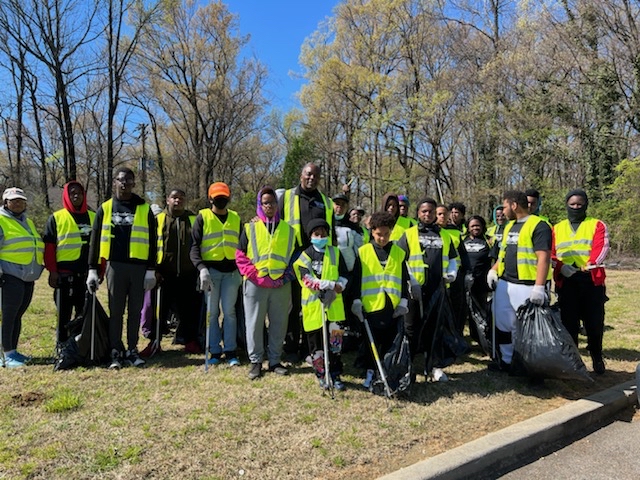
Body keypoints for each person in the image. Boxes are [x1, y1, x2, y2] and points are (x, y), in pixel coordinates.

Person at [87, 167, 157, 369]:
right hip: (115, 267)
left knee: (135, 310)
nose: (124, 184)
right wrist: (93, 268)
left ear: (134, 183)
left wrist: (151, 269)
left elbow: (153, 241)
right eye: (121, 180)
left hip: (138, 267)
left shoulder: (144, 208)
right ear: (114, 182)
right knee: (116, 310)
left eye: (129, 180)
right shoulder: (105, 208)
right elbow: (95, 239)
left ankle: (132, 350)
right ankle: (115, 351)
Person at [487, 190, 551, 372]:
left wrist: (539, 287)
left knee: (529, 329)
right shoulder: (509, 226)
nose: (503, 210)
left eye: (505, 206)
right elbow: (503, 254)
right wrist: (493, 270)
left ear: (514, 205)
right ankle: (507, 361)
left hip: (528, 286)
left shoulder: (539, 226)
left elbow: (543, 258)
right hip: (507, 284)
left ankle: (533, 368)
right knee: (504, 325)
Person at [236, 186, 296, 379]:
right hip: (256, 283)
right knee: (253, 323)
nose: (269, 206)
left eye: (272, 202)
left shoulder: (289, 229)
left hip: (280, 284)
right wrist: (255, 275)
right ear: (260, 205)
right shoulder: (250, 227)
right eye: (265, 202)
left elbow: (295, 257)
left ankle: (275, 360)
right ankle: (255, 361)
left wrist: (286, 277)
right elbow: (240, 255)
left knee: (279, 323)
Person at [396, 198, 458, 382]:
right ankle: (408, 365)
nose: (427, 214)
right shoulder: (408, 234)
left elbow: (453, 258)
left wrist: (452, 273)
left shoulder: (445, 235)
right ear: (418, 213)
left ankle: (435, 366)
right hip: (413, 290)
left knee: (435, 328)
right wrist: (411, 281)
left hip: (437, 290)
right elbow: (400, 260)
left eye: (431, 211)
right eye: (424, 211)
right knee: (411, 329)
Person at [279, 163, 334, 363]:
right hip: (294, 256)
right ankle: (291, 347)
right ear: (301, 175)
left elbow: (332, 232)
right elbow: (273, 221)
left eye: (316, 175)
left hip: (318, 256)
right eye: (308, 174)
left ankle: (310, 349)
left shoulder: (326, 202)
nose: (312, 178)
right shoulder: (285, 197)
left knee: (312, 303)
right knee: (293, 304)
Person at [552, 189, 609, 374]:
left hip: (591, 279)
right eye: (572, 204)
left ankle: (596, 356)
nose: (576, 207)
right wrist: (561, 267)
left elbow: (602, 247)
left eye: (580, 204)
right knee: (569, 323)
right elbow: (551, 254)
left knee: (594, 322)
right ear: (566, 205)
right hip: (567, 280)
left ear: (586, 205)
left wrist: (591, 263)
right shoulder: (557, 228)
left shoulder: (597, 225)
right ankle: (574, 362)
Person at [351, 211, 409, 387]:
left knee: (388, 341)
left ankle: (384, 371)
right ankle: (369, 370)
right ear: (372, 232)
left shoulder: (399, 253)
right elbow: (356, 279)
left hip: (392, 305)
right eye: (378, 234)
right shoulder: (363, 252)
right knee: (371, 342)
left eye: (386, 234)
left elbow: (404, 278)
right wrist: (356, 301)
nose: (382, 238)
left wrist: (404, 301)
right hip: (370, 306)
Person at [190, 182, 242, 366]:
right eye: (217, 198)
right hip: (210, 272)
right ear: (210, 198)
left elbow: (243, 245)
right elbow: (194, 247)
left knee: (229, 312)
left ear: (228, 198)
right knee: (212, 313)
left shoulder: (236, 218)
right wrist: (201, 268)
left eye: (224, 198)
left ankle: (230, 350)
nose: (221, 201)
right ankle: (214, 350)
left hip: (232, 273)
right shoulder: (202, 217)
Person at [294, 218, 348, 390]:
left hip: (334, 307)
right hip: (314, 308)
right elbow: (307, 280)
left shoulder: (335, 252)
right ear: (311, 236)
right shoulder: (304, 257)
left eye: (324, 234)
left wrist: (340, 285)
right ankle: (321, 374)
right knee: (316, 346)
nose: (321, 236)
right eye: (317, 234)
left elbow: (345, 274)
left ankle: (335, 373)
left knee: (336, 343)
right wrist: (329, 284)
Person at [149, 188, 201, 355]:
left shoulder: (193, 219)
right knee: (159, 310)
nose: (177, 201)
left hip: (188, 274)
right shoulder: (158, 219)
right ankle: (154, 342)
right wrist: (154, 269)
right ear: (167, 200)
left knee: (189, 311)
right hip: (164, 274)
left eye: (181, 198)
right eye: (174, 198)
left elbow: (200, 245)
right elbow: (151, 245)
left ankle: (190, 342)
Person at [43, 181, 94, 347]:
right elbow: (49, 248)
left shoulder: (93, 217)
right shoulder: (57, 218)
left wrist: (99, 270)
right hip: (64, 275)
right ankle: (62, 345)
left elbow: (100, 246)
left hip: (86, 275)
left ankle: (80, 345)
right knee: (64, 314)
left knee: (83, 313)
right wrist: (52, 271)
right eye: (72, 193)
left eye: (79, 192)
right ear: (66, 195)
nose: (76, 196)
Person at [0, 187, 44, 368]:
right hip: (9, 275)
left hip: (27, 276)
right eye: (13, 200)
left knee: (18, 314)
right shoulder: (2, 220)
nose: (17, 203)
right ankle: (5, 355)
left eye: (21, 200)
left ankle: (13, 351)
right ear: (5, 202)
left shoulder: (27, 221)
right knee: (9, 315)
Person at [463, 215, 492, 346]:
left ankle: (482, 340)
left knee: (480, 311)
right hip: (465, 283)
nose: (475, 228)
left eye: (478, 225)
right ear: (468, 228)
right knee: (465, 312)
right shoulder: (463, 241)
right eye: (472, 226)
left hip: (481, 283)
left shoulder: (489, 241)